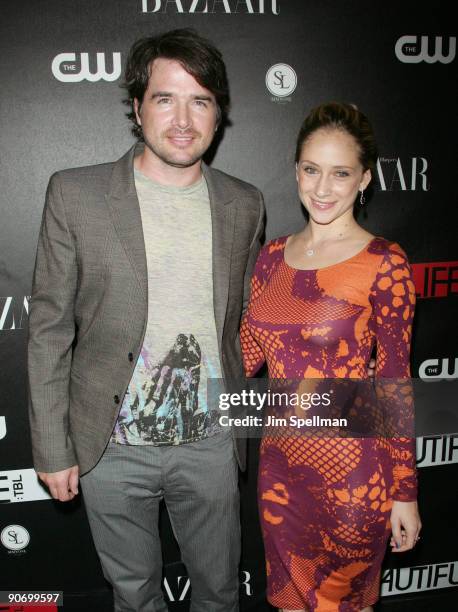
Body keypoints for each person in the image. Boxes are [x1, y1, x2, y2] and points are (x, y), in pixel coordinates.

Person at [28, 29, 264, 612]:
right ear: (137, 108)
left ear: (219, 114)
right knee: (132, 594)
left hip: (211, 442)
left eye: (200, 100)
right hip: (109, 446)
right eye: (165, 98)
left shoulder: (246, 203)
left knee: (219, 592)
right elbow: (50, 329)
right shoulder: (75, 194)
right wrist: (53, 447)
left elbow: (249, 324)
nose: (183, 119)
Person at [240, 102, 421, 612]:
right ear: (296, 170)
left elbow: (394, 381)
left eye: (340, 173)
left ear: (364, 178)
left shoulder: (384, 262)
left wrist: (404, 491)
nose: (322, 188)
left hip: (352, 477)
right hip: (279, 471)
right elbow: (248, 354)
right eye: (311, 170)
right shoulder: (272, 256)